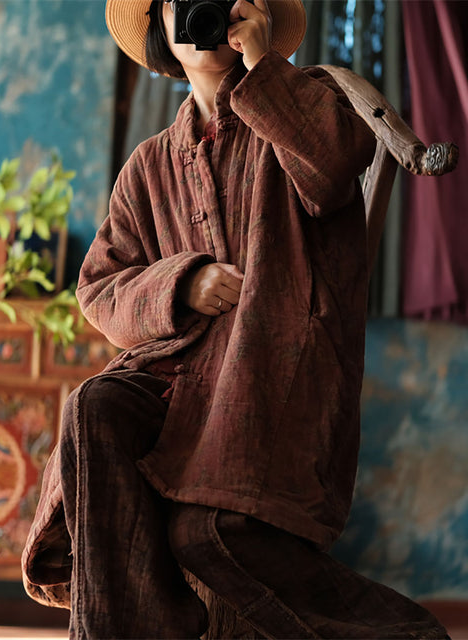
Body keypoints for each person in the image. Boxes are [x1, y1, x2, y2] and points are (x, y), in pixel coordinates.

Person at [22, 0, 450, 638]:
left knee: (210, 530)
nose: (199, 11)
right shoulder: (147, 165)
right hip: (176, 388)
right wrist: (181, 280)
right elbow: (98, 288)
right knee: (93, 406)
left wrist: (262, 65)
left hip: (273, 377)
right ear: (164, 29)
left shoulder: (310, 99)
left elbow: (334, 171)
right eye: (180, 0)